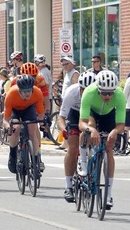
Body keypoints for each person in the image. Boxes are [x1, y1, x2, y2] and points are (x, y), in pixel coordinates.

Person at [78, 70, 125, 210]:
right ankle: (84, 161)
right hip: (92, 113)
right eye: (103, 93)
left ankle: (108, 194)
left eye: (110, 93)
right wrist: (91, 130)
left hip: (109, 115)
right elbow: (81, 123)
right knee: (89, 127)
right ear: (97, 89)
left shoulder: (120, 96)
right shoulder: (89, 93)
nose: (107, 96)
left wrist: (115, 131)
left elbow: (121, 125)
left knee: (109, 149)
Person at [57, 71, 96, 202]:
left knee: (92, 138)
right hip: (75, 114)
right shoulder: (71, 93)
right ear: (79, 87)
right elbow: (61, 118)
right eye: (83, 89)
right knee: (72, 148)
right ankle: (68, 186)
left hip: (90, 115)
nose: (85, 93)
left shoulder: (98, 94)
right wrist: (64, 131)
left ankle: (90, 164)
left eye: (88, 90)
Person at [60, 54, 80, 150]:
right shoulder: (67, 73)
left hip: (72, 101)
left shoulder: (74, 73)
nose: (64, 66)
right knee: (64, 122)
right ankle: (65, 142)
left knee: (69, 123)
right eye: (62, 64)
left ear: (72, 64)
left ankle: (69, 143)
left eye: (66, 64)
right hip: (65, 99)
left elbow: (77, 87)